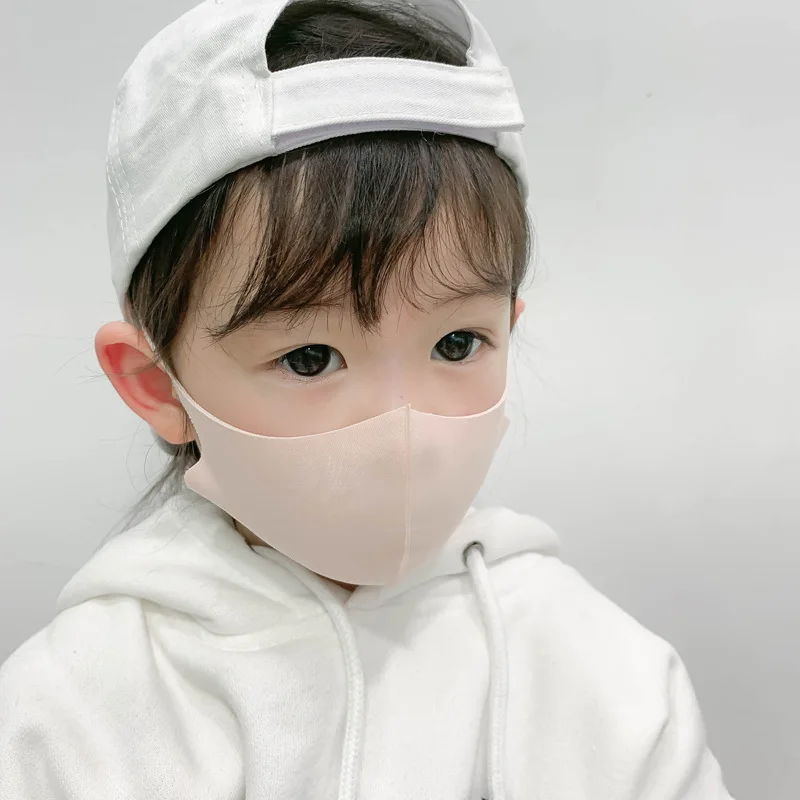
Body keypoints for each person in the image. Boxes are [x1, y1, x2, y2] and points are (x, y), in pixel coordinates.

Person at [0, 0, 734, 797]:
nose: (400, 430)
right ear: (155, 384)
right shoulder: (70, 718)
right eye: (310, 358)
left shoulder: (605, 678)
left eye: (457, 344)